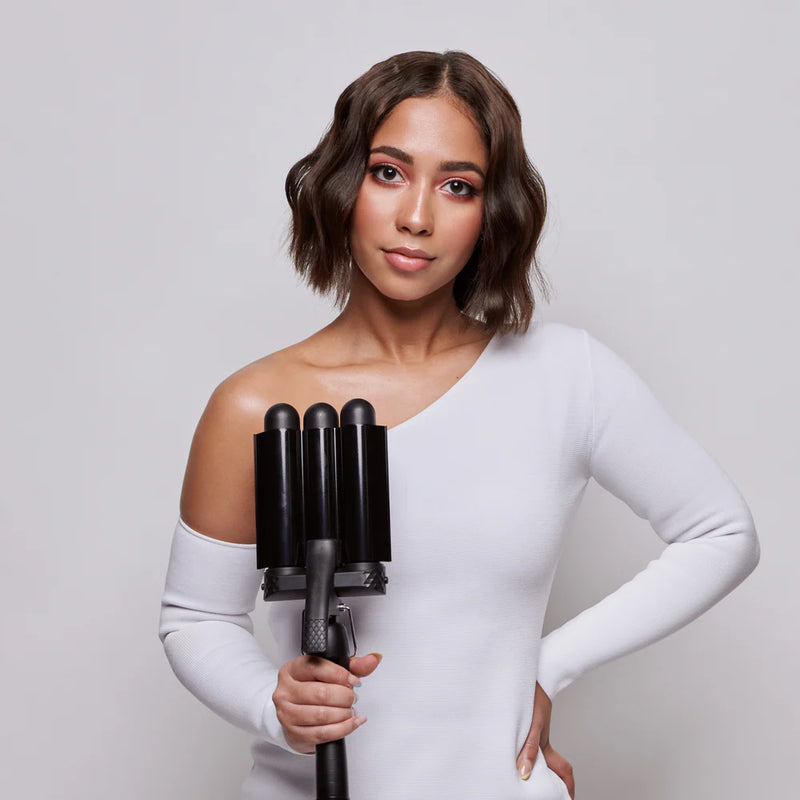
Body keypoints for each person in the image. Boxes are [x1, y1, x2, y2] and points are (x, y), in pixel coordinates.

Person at [158, 50, 760, 799]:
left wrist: (546, 665)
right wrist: (272, 703)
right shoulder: (257, 407)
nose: (417, 216)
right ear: (343, 183)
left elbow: (723, 532)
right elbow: (195, 616)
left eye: (457, 185)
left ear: (491, 210)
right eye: (388, 172)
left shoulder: (564, 375)